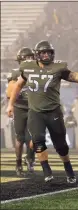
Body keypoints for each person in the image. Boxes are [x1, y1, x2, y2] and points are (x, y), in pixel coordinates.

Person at [6, 40, 78, 183]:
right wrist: (10, 104)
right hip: (35, 112)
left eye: (48, 52)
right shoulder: (27, 67)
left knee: (61, 146)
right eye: (43, 53)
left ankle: (68, 169)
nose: (46, 55)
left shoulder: (58, 68)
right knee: (38, 142)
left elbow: (76, 77)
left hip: (53, 112)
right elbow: (18, 86)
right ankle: (47, 171)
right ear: (37, 55)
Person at [6, 47, 35, 175]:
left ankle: (29, 158)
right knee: (20, 138)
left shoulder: (37, 70)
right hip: (19, 107)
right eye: (26, 57)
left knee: (33, 137)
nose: (29, 60)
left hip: (33, 107)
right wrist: (11, 105)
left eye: (31, 57)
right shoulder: (15, 73)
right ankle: (18, 164)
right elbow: (9, 93)